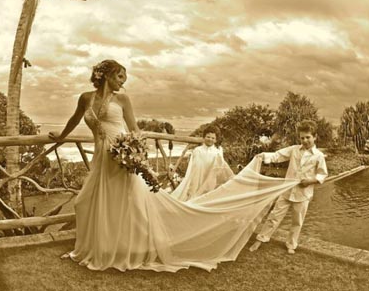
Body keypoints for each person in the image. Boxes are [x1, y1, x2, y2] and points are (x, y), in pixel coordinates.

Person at [48, 60, 299, 272]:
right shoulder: (85, 98)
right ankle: (98, 247)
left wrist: (135, 151)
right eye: (119, 76)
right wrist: (60, 136)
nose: (122, 81)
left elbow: (134, 129)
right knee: (90, 201)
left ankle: (127, 247)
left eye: (124, 77)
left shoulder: (123, 99)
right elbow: (74, 119)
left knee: (128, 203)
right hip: (101, 159)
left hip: (122, 158)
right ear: (105, 76)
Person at [248, 120, 328, 254]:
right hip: (287, 190)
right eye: (302, 137)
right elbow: (277, 155)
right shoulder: (294, 149)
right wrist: (263, 155)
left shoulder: (319, 156)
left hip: (303, 194)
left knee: (297, 221)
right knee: (274, 216)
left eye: (308, 137)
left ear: (315, 137)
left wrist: (310, 181)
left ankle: (291, 244)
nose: (305, 140)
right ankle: (261, 239)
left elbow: (322, 174)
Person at [171, 127, 234, 202]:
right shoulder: (198, 150)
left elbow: (221, 167)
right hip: (198, 176)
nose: (210, 139)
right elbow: (194, 167)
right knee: (194, 195)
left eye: (213, 138)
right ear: (204, 137)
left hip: (211, 178)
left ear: (216, 140)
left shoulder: (217, 152)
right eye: (208, 137)